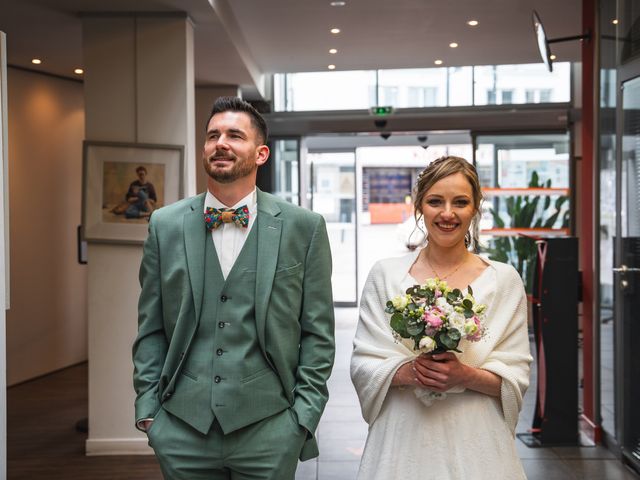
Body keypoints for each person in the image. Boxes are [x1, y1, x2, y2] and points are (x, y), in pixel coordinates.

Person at [133, 96, 335, 479]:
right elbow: (151, 327)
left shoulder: (303, 227)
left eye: (234, 135)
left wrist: (302, 418)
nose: (220, 143)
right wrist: (149, 412)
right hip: (181, 429)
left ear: (261, 154)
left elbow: (318, 333)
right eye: (212, 135)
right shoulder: (165, 224)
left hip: (271, 429)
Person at [350, 156, 532, 479]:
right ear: (419, 206)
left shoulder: (504, 282)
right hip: (401, 438)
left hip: (479, 443)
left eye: (460, 202)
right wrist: (410, 372)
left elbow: (516, 375)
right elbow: (364, 362)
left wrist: (464, 376)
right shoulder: (385, 276)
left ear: (475, 207)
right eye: (436, 201)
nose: (448, 213)